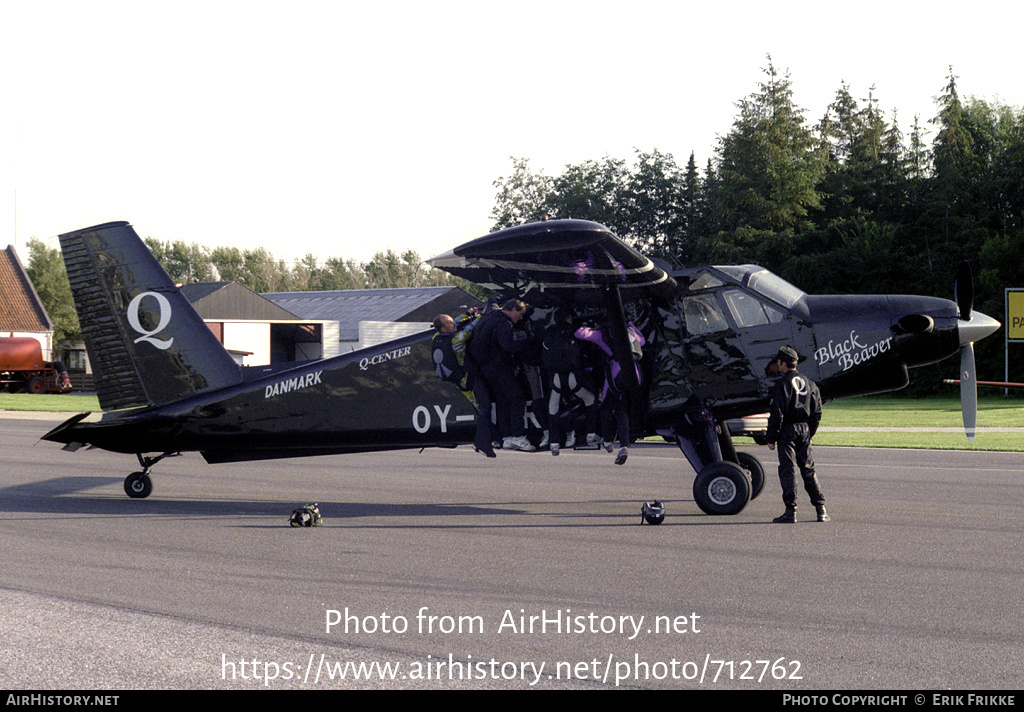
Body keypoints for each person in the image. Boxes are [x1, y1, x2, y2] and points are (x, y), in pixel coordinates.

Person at [765, 345, 829, 523]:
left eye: (779, 362)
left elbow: (776, 414)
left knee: (788, 470)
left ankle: (790, 511)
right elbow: (817, 412)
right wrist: (810, 433)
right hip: (804, 429)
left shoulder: (782, 385)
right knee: (808, 469)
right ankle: (821, 509)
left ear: (783, 363)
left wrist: (771, 437)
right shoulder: (810, 383)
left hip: (788, 430)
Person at [574, 317, 645, 465]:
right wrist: (630, 323)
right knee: (622, 409)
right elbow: (642, 341)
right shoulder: (631, 332)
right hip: (635, 373)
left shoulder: (603, 334)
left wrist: (589, 326)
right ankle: (624, 447)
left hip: (617, 373)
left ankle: (607, 441)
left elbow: (579, 333)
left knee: (606, 406)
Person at [468, 298, 535, 452]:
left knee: (502, 401)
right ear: (512, 310)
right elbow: (508, 346)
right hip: (500, 368)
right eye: (520, 314)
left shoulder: (487, 319)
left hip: (486, 370)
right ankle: (518, 436)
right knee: (517, 398)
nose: (521, 318)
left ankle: (506, 437)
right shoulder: (503, 324)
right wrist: (528, 342)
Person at [540, 308, 598, 455]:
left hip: (555, 378)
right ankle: (591, 434)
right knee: (590, 399)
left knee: (552, 408)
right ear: (569, 318)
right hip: (573, 376)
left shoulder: (549, 333)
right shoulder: (574, 331)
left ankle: (554, 443)